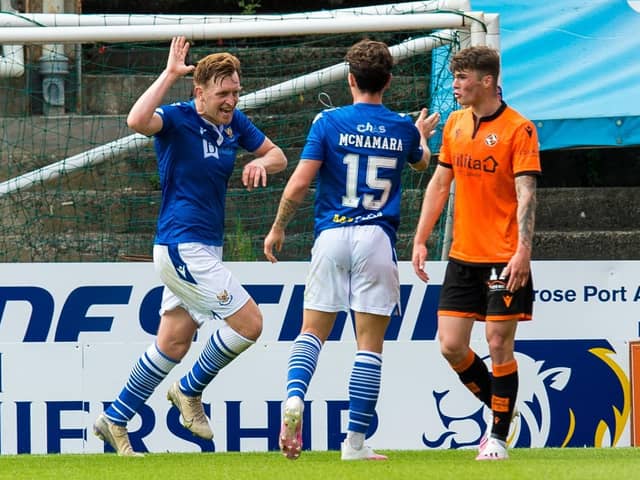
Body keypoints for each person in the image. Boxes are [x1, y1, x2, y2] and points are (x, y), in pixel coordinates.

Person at [93, 36, 287, 456]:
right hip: (181, 246)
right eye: (223, 93)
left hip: (204, 248)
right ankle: (188, 390)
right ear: (199, 92)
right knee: (250, 324)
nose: (231, 100)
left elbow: (279, 156)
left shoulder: (236, 123)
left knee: (173, 343)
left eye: (236, 91)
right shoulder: (178, 118)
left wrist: (259, 161)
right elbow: (136, 120)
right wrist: (168, 74)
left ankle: (114, 418)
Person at [263, 38, 440, 461]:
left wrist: (277, 227)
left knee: (311, 333)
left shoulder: (327, 121)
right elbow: (421, 162)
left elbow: (300, 183)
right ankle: (355, 444)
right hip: (376, 238)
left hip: (331, 236)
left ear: (350, 79)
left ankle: (293, 397)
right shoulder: (400, 126)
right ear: (389, 81)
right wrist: (419, 134)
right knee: (368, 346)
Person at [411, 45, 540, 461]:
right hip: (463, 256)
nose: (456, 86)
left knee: (498, 343)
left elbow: (527, 195)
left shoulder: (519, 129)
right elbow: (439, 185)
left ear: (487, 81)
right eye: (455, 78)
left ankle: (497, 438)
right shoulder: (454, 123)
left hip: (504, 256)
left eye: (462, 79)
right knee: (450, 345)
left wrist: (523, 250)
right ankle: (504, 409)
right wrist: (420, 238)